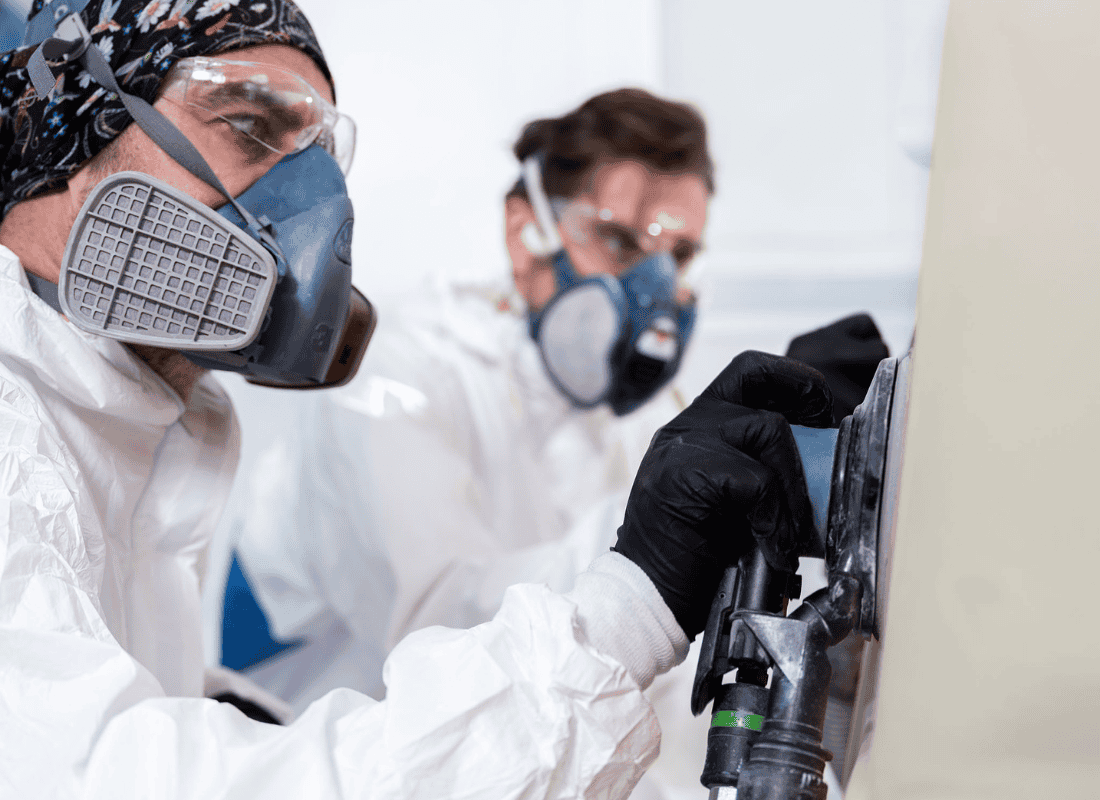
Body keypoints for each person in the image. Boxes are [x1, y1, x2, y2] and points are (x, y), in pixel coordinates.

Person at [0, 1, 836, 797]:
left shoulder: (152, 426)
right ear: (68, 120)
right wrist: (638, 587)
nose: (307, 213)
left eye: (320, 162)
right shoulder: (395, 381)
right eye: (251, 128)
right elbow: (111, 777)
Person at [219, 89, 714, 708]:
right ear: (525, 229)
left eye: (680, 255)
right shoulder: (394, 375)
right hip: (312, 733)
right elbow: (439, 639)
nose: (655, 291)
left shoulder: (643, 418)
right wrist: (666, 539)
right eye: (618, 242)